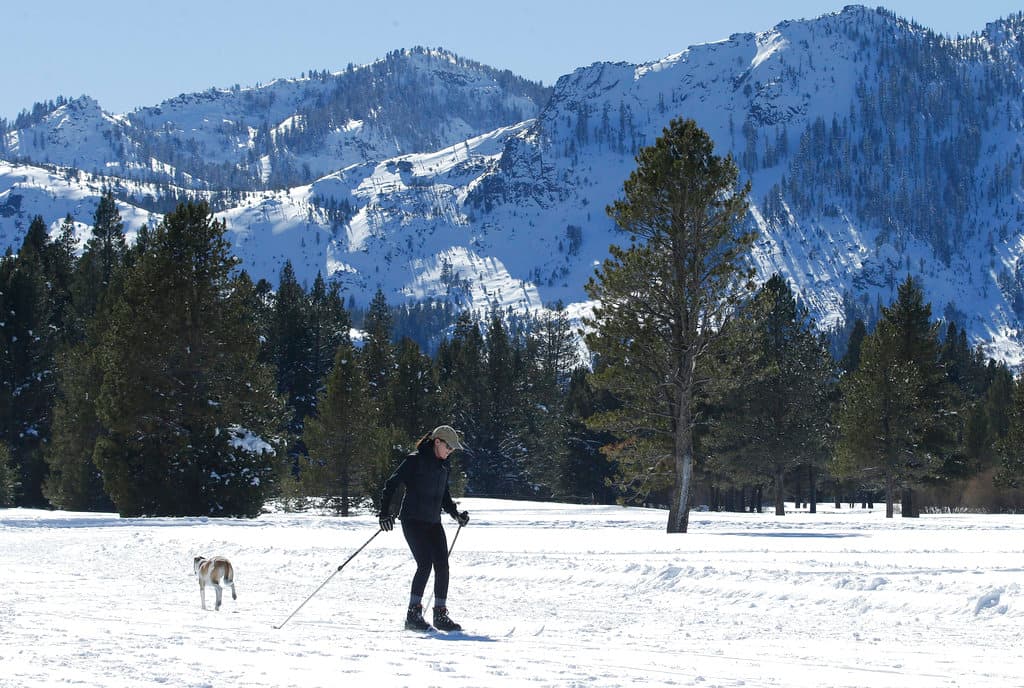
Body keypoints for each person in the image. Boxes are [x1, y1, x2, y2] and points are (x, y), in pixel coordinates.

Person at [378, 424, 470, 631]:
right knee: (425, 563)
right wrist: (384, 513)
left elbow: (444, 496)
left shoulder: (443, 466)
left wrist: (456, 514)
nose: (451, 451)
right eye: (449, 447)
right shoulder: (415, 460)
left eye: (453, 448)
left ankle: (440, 615)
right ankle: (413, 615)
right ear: (437, 442)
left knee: (443, 565)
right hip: (413, 521)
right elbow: (392, 484)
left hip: (433, 522)